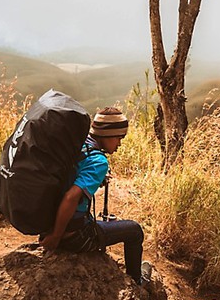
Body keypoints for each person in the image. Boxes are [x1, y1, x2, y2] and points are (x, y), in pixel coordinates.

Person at [40, 107, 150, 285]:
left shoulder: (76, 144)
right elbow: (71, 197)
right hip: (74, 237)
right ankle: (137, 281)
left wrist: (51, 232)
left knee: (109, 224)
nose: (119, 144)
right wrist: (56, 237)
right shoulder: (99, 161)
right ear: (107, 134)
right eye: (119, 138)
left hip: (47, 225)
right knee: (134, 231)